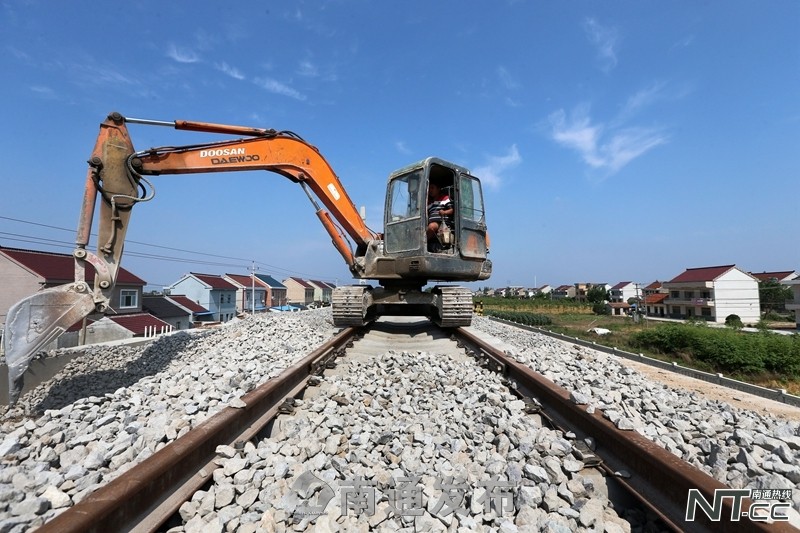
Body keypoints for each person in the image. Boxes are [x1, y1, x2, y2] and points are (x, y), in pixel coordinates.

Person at [426, 182, 453, 249]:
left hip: (441, 223)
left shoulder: (445, 198)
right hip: (431, 223)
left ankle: (422, 242)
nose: (430, 190)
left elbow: (452, 210)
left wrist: (444, 212)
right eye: (429, 188)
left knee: (432, 227)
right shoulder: (429, 203)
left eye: (432, 188)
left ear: (438, 189)